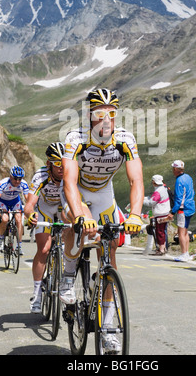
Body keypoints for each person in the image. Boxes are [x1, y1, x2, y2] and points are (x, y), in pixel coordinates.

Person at [60, 88, 144, 352]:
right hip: (79, 192)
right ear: (90, 115)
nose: (106, 120)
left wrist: (135, 214)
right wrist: (81, 214)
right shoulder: (76, 138)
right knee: (81, 227)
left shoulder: (125, 139)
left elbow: (136, 180)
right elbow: (69, 182)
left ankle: (108, 328)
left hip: (105, 194)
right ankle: (68, 273)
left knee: (109, 253)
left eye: (111, 114)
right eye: (99, 114)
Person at [24, 142, 75, 313]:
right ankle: (37, 293)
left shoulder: (71, 172)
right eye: (56, 164)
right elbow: (30, 204)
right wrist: (30, 215)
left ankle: (67, 279)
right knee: (44, 249)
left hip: (62, 208)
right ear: (49, 164)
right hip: (45, 209)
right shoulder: (41, 176)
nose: (61, 168)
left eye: (63, 163)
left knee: (70, 233)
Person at [0, 166, 29, 254]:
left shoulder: (24, 184)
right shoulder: (3, 183)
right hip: (3, 201)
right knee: (5, 219)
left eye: (20, 179)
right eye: (15, 178)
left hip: (15, 201)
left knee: (19, 219)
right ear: (10, 177)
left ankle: (19, 246)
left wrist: (29, 210)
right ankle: (1, 238)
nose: (17, 181)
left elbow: (28, 199)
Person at [167, 160, 195, 262]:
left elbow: (178, 199)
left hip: (182, 209)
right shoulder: (188, 177)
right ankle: (186, 253)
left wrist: (172, 212)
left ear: (175, 169)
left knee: (181, 233)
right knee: (185, 231)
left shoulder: (179, 181)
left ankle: (184, 254)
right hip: (190, 207)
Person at [143, 174, 172, 255]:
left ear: (154, 182)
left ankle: (161, 249)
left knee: (159, 231)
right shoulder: (163, 189)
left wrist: (141, 201)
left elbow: (151, 202)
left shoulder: (157, 191)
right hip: (165, 212)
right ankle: (163, 248)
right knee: (162, 231)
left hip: (160, 213)